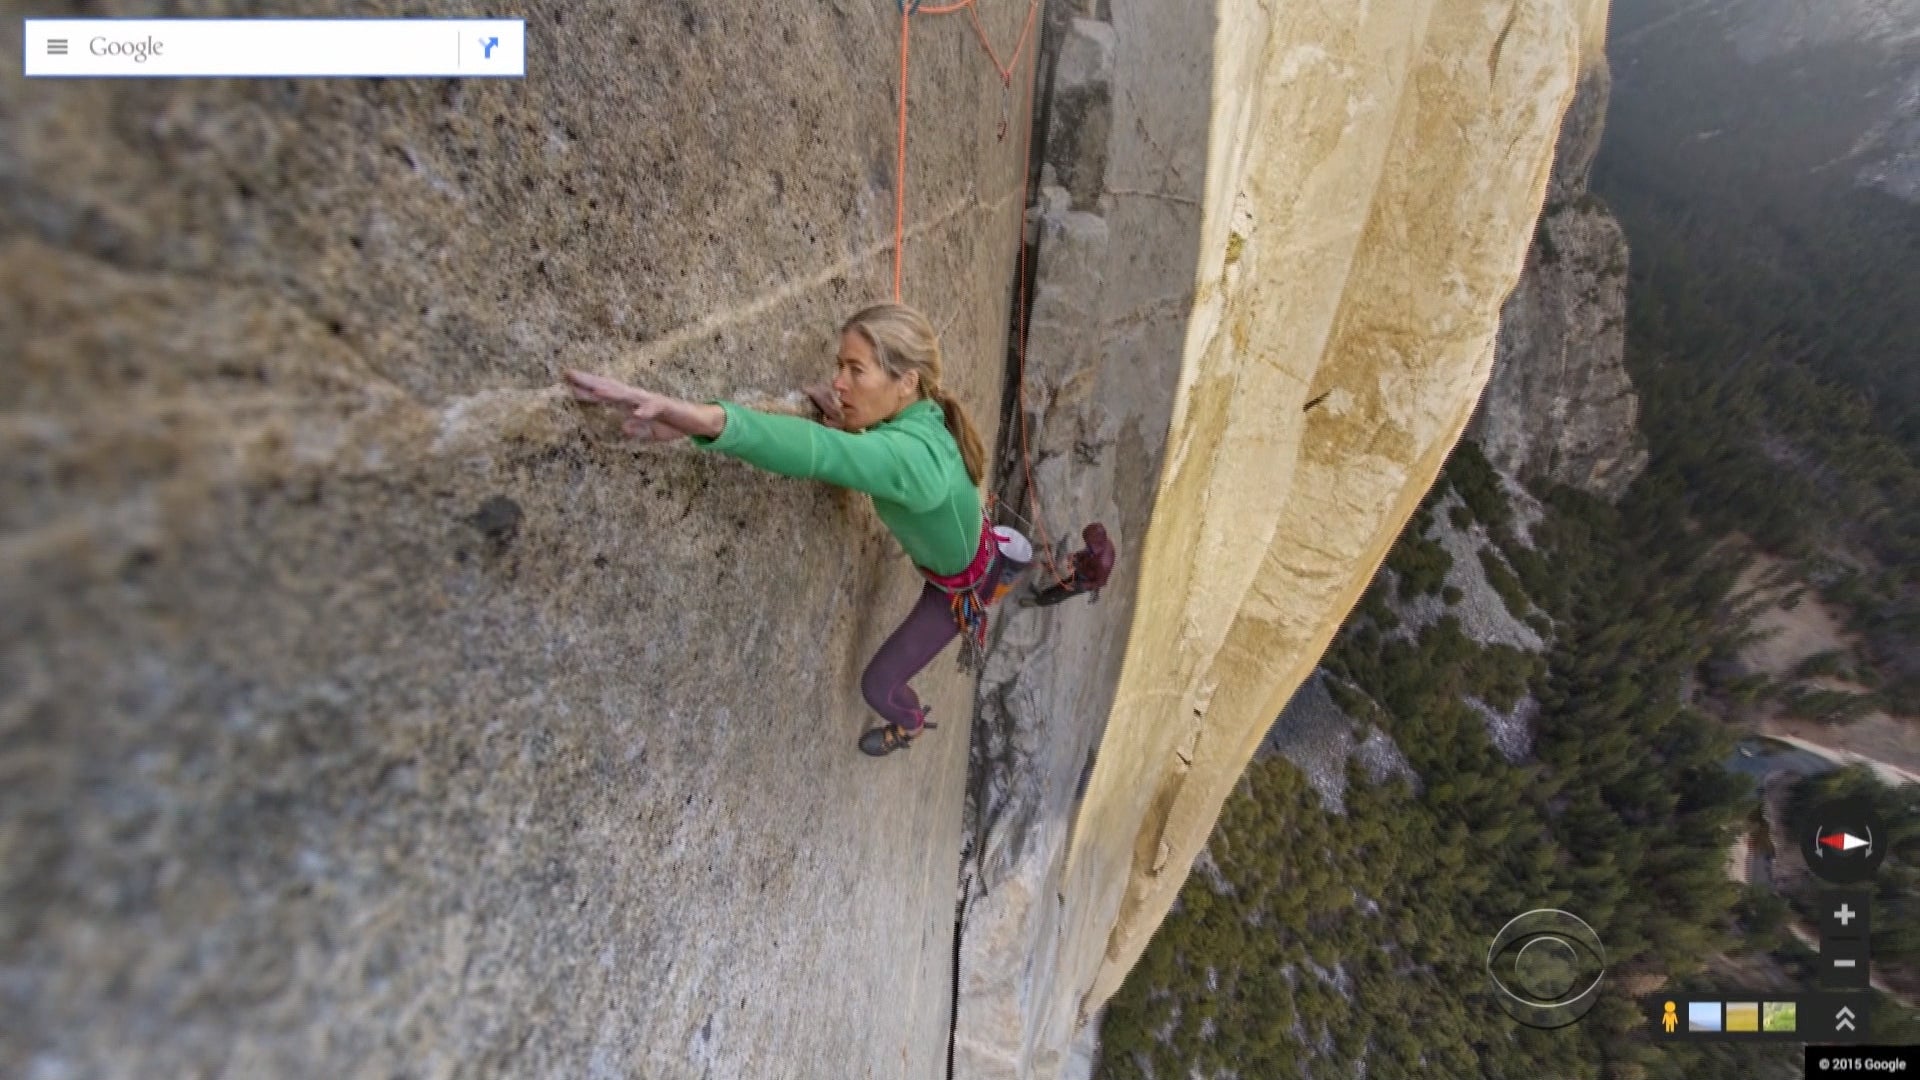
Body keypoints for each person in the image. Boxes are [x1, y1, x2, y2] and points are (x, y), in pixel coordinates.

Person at [563, 303, 1030, 758]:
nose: (838, 382)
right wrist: (856, 426)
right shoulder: (923, 414)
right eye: (839, 366)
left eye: (855, 370)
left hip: (962, 588)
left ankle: (909, 726)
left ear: (907, 380)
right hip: (973, 552)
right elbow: (860, 447)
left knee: (878, 685)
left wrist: (703, 419)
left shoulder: (915, 460)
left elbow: (819, 450)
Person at [1021, 522, 1116, 607]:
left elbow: (1101, 583)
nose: (1087, 544)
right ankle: (1042, 594)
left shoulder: (1103, 563)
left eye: (1088, 543)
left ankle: (1038, 602)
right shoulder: (1098, 544)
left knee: (1061, 593)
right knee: (1062, 585)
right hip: (1082, 571)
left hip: (1085, 581)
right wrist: (1077, 556)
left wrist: (1082, 586)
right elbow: (1088, 551)